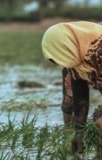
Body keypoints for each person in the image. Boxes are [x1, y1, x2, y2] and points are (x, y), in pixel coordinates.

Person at [42, 21, 102, 153]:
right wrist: (78, 133)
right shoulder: (76, 58)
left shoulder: (98, 49)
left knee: (100, 123)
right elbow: (80, 97)